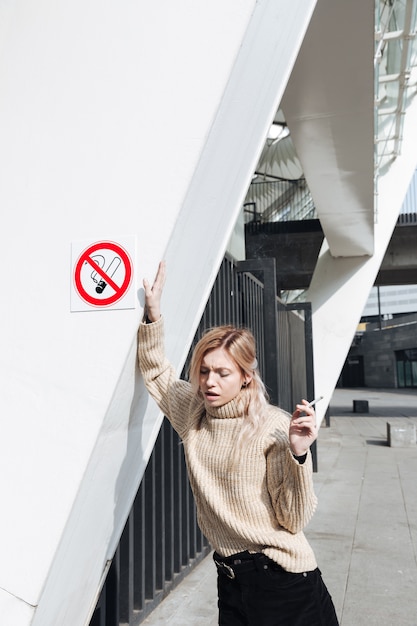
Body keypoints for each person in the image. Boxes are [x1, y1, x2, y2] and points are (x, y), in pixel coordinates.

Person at [137, 261, 339, 626]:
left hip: (283, 583)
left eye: (222, 372)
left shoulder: (273, 426)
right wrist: (153, 317)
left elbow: (293, 519)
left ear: (247, 377)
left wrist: (297, 453)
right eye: (204, 371)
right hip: (231, 581)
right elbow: (158, 373)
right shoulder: (194, 413)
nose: (210, 382)